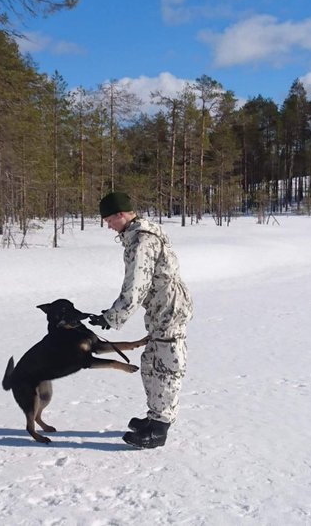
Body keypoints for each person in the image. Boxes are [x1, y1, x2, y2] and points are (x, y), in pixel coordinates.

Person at [89, 191, 192, 449]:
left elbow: (136, 287)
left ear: (121, 215)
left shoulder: (142, 241)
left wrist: (112, 318)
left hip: (169, 309)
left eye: (109, 219)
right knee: (152, 361)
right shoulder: (136, 236)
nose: (107, 225)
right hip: (160, 309)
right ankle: (153, 417)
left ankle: (159, 428)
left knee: (167, 366)